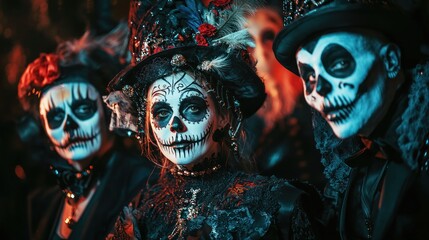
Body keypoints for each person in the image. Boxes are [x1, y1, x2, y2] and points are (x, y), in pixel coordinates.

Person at [105, 0, 322, 239]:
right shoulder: (141, 212)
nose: (175, 126)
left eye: (192, 108)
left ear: (224, 116)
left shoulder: (275, 206)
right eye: (161, 113)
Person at [273, 0, 429, 239]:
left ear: (390, 61)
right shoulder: (356, 169)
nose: (320, 89)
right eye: (309, 76)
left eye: (339, 63)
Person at [17, 20, 156, 239]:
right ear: (41, 130)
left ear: (109, 111)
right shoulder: (41, 205)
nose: (69, 125)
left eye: (83, 108)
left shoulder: (145, 182)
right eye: (55, 117)